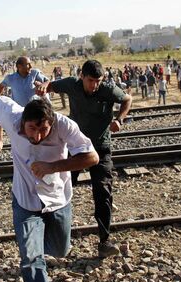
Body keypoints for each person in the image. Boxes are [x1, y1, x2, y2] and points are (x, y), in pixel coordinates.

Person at [0, 97, 99, 282]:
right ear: (23, 123)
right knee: (31, 260)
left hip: (57, 200)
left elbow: (92, 157)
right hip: (26, 201)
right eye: (32, 129)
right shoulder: (12, 116)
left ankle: (36, 244)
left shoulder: (64, 126)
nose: (38, 136)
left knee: (60, 250)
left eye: (44, 129)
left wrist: (51, 167)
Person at [35, 59, 132, 258]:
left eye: (98, 81)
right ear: (82, 77)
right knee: (60, 188)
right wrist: (46, 86)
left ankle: (105, 241)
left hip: (100, 148)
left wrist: (119, 119)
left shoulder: (108, 89)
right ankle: (53, 241)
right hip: (76, 148)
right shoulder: (72, 84)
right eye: (90, 81)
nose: (94, 85)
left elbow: (127, 99)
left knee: (103, 190)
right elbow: (51, 85)